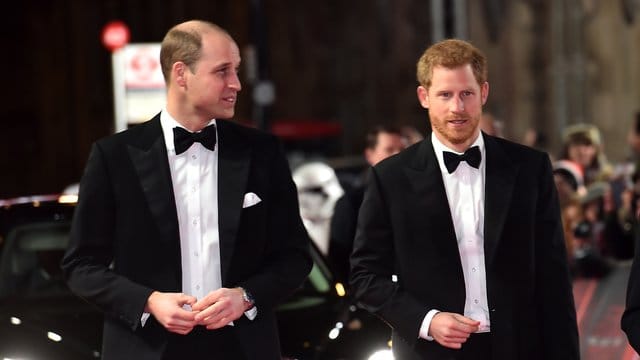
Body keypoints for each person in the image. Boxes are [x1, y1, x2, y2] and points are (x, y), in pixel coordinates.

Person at [61, 20, 312, 360]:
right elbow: (81, 265)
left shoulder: (262, 152)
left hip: (243, 348)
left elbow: (295, 256)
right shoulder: (114, 157)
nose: (236, 84)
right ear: (182, 74)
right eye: (222, 71)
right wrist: (149, 301)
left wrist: (246, 296)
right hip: (146, 348)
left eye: (236, 70)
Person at [349, 39, 579, 359]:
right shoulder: (390, 178)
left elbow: (554, 279)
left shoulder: (530, 169)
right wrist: (428, 320)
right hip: (431, 351)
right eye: (445, 94)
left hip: (520, 348)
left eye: (466, 93)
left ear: (483, 93)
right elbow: (365, 277)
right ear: (424, 96)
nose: (457, 107)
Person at [328, 125, 405, 281]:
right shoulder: (351, 203)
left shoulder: (421, 195)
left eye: (402, 149)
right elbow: (339, 260)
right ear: (370, 155)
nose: (398, 155)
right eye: (389, 150)